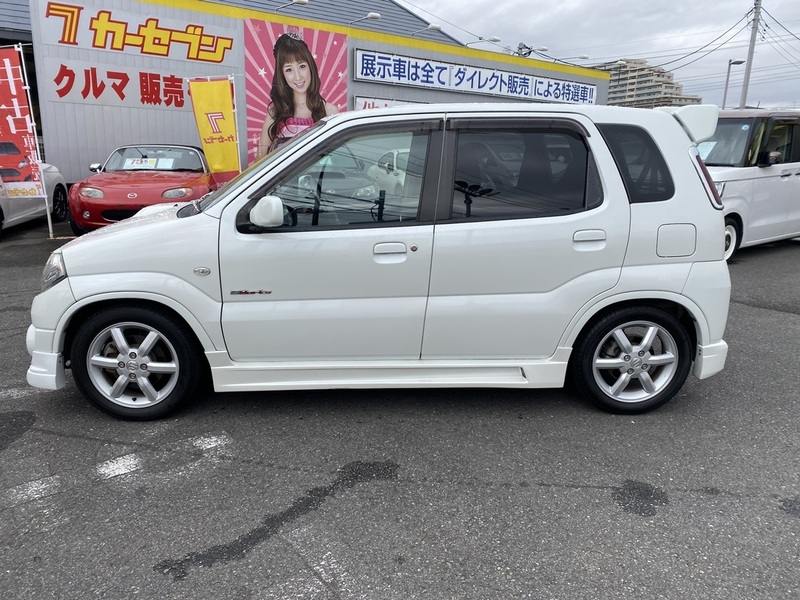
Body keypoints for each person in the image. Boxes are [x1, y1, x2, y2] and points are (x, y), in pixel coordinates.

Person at [257, 33, 339, 158]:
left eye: (302, 66)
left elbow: (336, 159)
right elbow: (260, 162)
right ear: (282, 74)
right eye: (289, 69)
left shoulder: (330, 111)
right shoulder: (275, 114)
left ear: (310, 67)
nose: (298, 76)